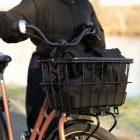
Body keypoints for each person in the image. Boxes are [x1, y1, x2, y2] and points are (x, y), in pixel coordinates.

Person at [0, 0, 106, 131]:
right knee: (44, 128)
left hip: (79, 75)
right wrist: (8, 22)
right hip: (47, 69)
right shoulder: (39, 2)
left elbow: (100, 43)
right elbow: (19, 15)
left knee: (80, 127)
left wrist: (94, 35)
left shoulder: (85, 4)